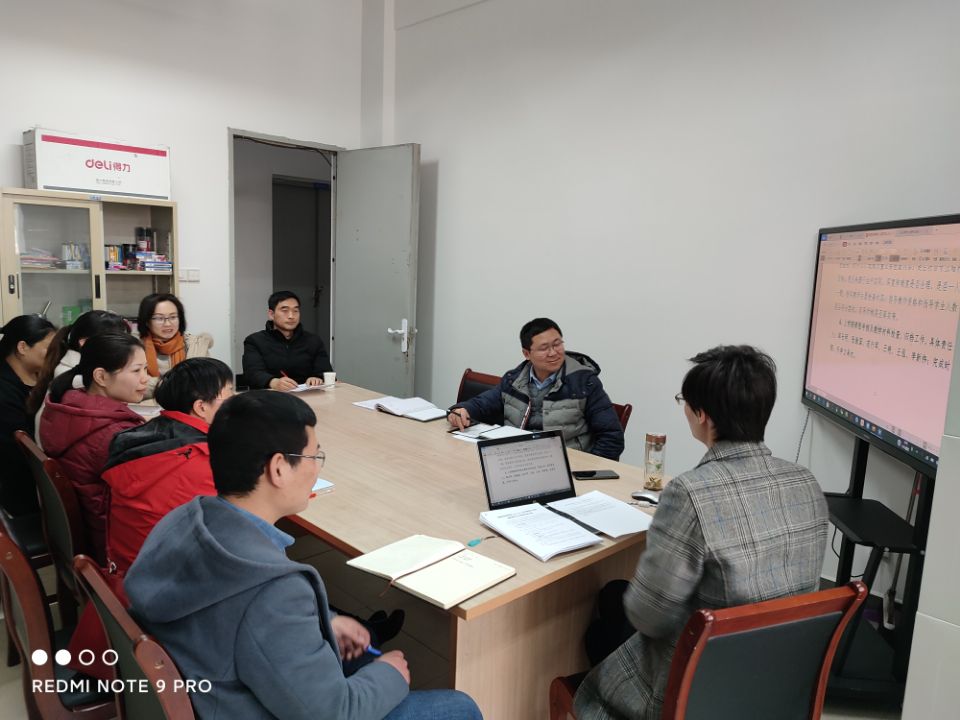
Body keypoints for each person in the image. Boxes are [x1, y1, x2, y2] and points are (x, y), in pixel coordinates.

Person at [124, 391, 482, 720]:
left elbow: (246, 621)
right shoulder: (272, 589)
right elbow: (334, 713)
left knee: (360, 655)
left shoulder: (184, 519)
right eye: (314, 456)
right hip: (241, 706)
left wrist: (323, 621)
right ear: (279, 468)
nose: (317, 467)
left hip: (211, 686)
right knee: (459, 708)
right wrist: (390, 675)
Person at [573, 345, 829, 720]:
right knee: (613, 594)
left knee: (599, 633)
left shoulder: (690, 493)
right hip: (778, 676)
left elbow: (649, 618)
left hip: (696, 685)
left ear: (703, 415)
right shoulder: (806, 481)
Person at [101, 357, 233, 576]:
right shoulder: (204, 461)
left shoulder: (144, 434)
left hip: (126, 567)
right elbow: (240, 524)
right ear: (201, 407)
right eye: (229, 395)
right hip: (168, 581)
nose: (236, 403)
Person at [447, 318, 624, 460]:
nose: (553, 353)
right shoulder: (514, 379)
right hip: (518, 460)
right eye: (544, 348)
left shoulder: (585, 382)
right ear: (527, 354)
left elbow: (612, 436)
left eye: (557, 344)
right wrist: (461, 410)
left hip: (565, 464)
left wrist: (588, 473)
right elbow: (482, 404)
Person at [39, 334, 148, 564]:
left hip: (88, 525)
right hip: (108, 541)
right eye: (136, 370)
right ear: (101, 376)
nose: (145, 378)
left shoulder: (68, 403)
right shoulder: (113, 434)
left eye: (146, 369)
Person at [27, 309, 130, 443]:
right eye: (115, 342)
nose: (124, 349)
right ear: (84, 342)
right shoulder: (79, 380)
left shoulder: (70, 367)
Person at [0, 315, 56, 515]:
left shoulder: (41, 375)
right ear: (22, 347)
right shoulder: (4, 390)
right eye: (49, 348)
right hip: (19, 484)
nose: (55, 354)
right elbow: (17, 451)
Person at [242, 290, 332, 390]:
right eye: (285, 310)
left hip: (309, 395)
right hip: (269, 396)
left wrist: (317, 378)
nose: (291, 316)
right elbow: (252, 374)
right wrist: (273, 382)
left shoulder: (313, 340)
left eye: (295, 311)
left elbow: (326, 372)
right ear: (271, 314)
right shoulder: (255, 341)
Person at [137, 293, 213, 399]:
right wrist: (179, 385)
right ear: (146, 321)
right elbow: (133, 387)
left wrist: (158, 386)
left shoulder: (195, 346)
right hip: (146, 407)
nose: (167, 324)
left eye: (173, 317)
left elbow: (203, 384)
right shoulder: (135, 348)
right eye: (159, 318)